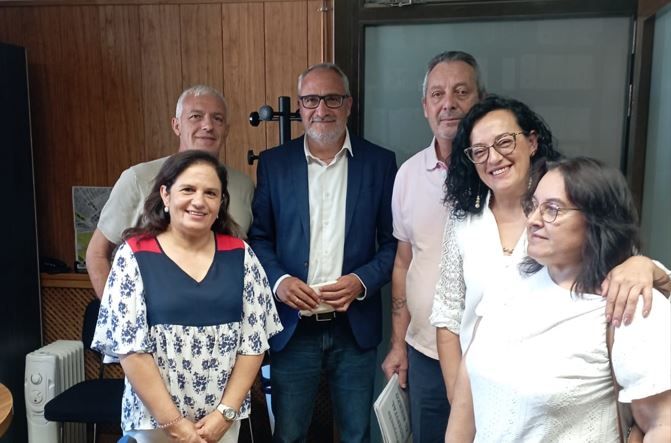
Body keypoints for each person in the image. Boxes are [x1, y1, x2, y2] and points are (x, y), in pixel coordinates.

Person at [429, 95, 671, 403]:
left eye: (504, 142)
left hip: (558, 395)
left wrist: (644, 266)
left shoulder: (575, 208)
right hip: (481, 386)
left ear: (532, 142)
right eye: (479, 151)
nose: (493, 158)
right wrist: (460, 400)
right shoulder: (464, 220)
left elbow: (643, 283)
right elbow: (449, 317)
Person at [445, 157, 671, 441]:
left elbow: (663, 425)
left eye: (552, 209)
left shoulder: (628, 304)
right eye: (534, 205)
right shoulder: (512, 279)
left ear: (598, 220)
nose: (533, 220)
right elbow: (469, 380)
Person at [248, 63, 397, 442]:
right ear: (300, 106)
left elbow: (394, 243)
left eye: (332, 98)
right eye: (311, 99)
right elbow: (259, 237)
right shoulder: (274, 164)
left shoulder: (379, 163)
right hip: (293, 329)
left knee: (356, 434)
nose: (321, 108)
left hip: (355, 328)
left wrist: (362, 280)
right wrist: (279, 282)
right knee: (290, 435)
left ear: (348, 104)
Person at [91, 150, 283, 443]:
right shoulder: (133, 256)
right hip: (153, 424)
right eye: (188, 189)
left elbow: (253, 345)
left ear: (220, 203)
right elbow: (131, 351)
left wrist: (224, 415)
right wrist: (176, 425)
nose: (199, 201)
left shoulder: (241, 256)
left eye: (210, 193)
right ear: (165, 195)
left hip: (219, 426)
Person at [380, 51, 483, 443]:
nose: (448, 103)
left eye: (461, 92)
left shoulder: (499, 172)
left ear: (480, 99)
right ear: (425, 107)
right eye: (437, 94)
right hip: (424, 352)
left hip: (488, 355)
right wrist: (397, 345)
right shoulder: (408, 175)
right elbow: (404, 263)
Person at [86, 85, 255, 299]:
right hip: (153, 321)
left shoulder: (244, 186)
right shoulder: (138, 179)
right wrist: (117, 312)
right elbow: (97, 253)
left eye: (217, 119)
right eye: (196, 116)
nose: (208, 125)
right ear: (176, 125)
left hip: (220, 320)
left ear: (227, 130)